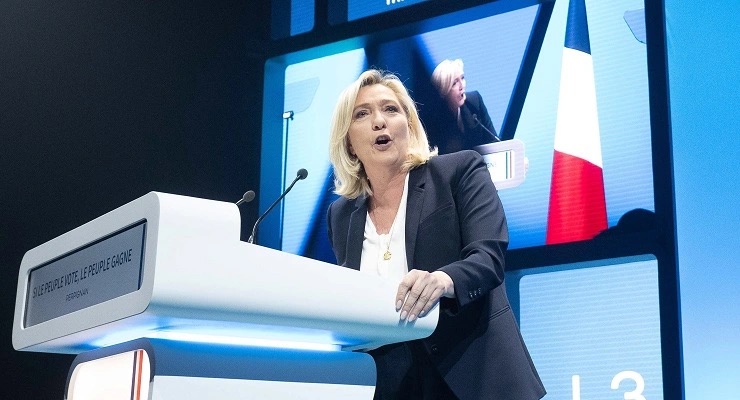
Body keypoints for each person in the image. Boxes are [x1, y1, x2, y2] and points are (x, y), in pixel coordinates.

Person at [326, 69, 545, 400]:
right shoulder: (341, 214)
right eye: (362, 114)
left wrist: (444, 280)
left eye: (390, 109)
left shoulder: (458, 171)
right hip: (387, 381)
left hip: (470, 375)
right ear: (349, 143)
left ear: (409, 126)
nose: (379, 122)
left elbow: (488, 256)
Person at [426, 59, 499, 154]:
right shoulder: (433, 120)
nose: (462, 86)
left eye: (462, 78)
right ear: (443, 92)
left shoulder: (475, 101)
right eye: (455, 83)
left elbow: (493, 142)